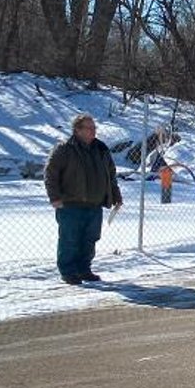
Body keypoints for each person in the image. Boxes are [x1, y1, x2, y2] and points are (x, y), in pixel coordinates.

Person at [43, 113, 123, 284]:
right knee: (70, 239)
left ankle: (84, 269)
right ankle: (68, 271)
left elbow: (111, 175)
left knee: (90, 239)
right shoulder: (64, 149)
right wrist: (54, 197)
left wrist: (116, 195)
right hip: (70, 205)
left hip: (94, 204)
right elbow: (51, 174)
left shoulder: (101, 149)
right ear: (77, 130)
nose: (93, 131)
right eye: (89, 128)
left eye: (94, 128)